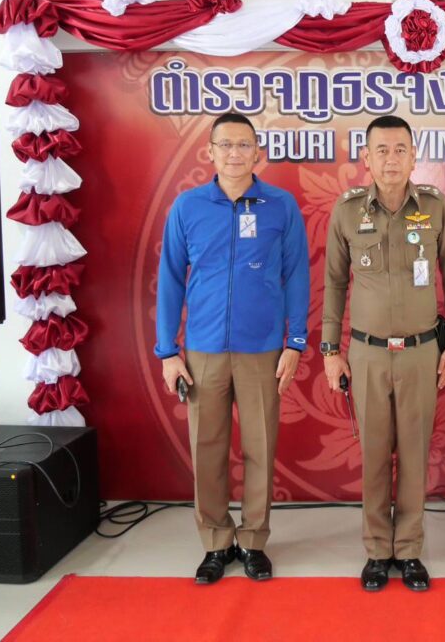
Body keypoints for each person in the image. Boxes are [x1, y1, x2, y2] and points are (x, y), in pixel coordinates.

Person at [154, 112, 310, 585]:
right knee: (207, 448)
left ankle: (254, 540)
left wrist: (295, 342)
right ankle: (216, 542)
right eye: (226, 145)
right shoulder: (188, 207)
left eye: (244, 145)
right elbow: (170, 279)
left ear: (258, 152)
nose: (235, 153)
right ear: (210, 152)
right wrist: (167, 351)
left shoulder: (280, 206)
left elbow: (297, 274)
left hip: (263, 349)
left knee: (261, 446)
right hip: (202, 350)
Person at [321, 115, 445, 592]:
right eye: (381, 150)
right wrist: (330, 349)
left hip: (421, 352)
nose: (391, 159)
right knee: (374, 455)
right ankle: (376, 551)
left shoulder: (434, 207)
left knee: (415, 453)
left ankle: (408, 550)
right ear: (366, 158)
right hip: (366, 354)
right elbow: (334, 283)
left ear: (413, 156)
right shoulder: (347, 211)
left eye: (400, 149)